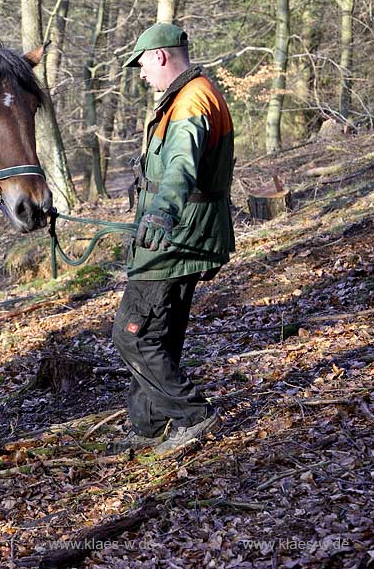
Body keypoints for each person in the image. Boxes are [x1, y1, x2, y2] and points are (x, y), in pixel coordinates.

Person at [106, 23, 235, 456]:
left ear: (160, 56)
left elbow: (181, 165)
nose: (141, 73)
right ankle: (148, 424)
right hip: (185, 233)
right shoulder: (187, 96)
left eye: (141, 64)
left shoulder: (193, 100)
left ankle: (193, 416)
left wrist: (162, 212)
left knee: (132, 335)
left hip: (177, 236)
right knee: (158, 331)